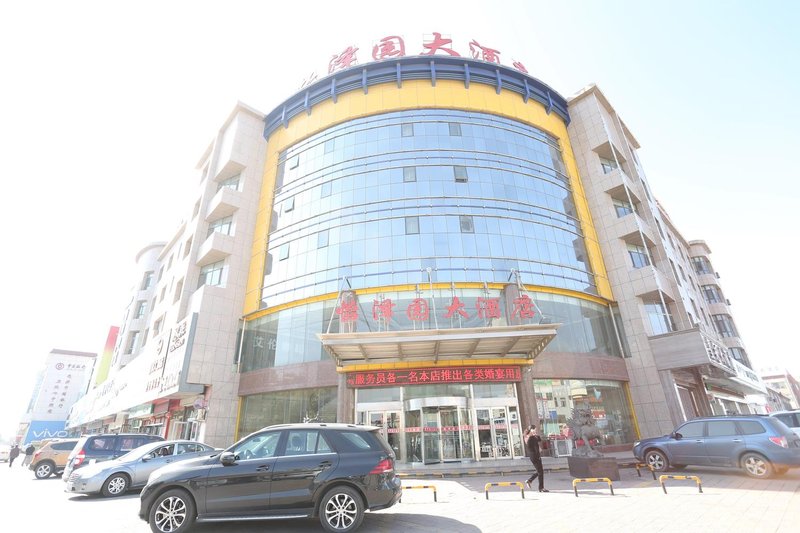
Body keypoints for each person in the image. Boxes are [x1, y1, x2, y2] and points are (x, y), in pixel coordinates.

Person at [523, 425, 548, 492]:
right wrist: (538, 456)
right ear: (531, 429)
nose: (535, 431)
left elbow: (539, 439)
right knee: (540, 472)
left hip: (532, 456)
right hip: (535, 456)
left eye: (536, 430)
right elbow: (536, 448)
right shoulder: (531, 438)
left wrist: (535, 434)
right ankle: (541, 488)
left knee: (539, 471)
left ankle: (530, 480)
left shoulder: (527, 436)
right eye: (534, 429)